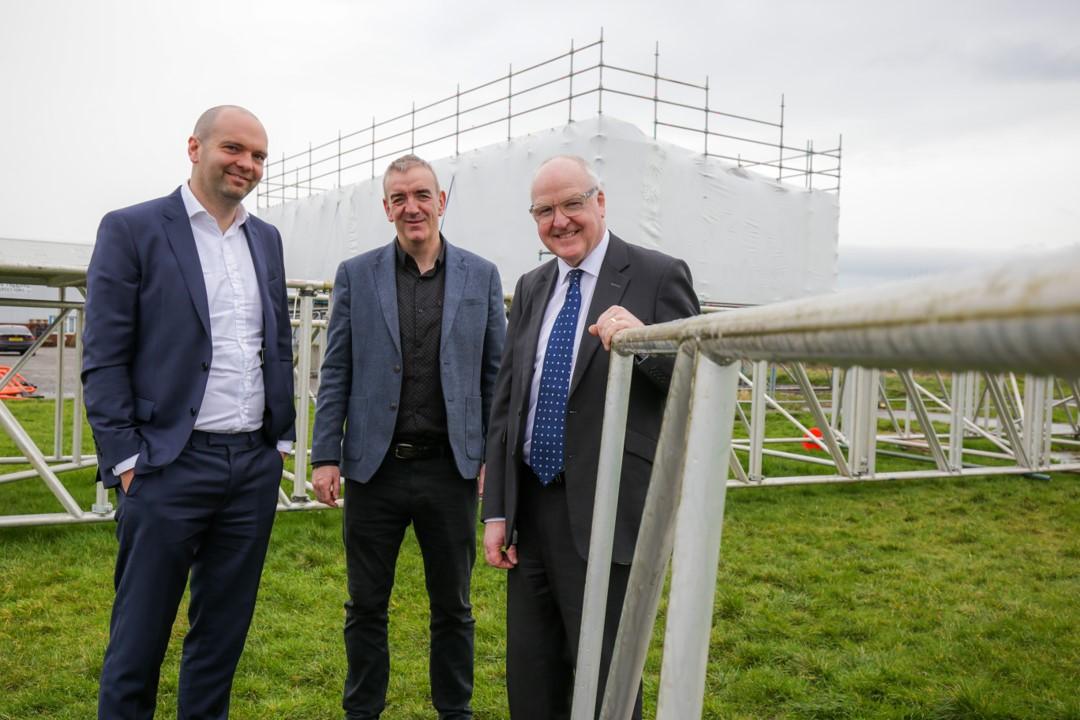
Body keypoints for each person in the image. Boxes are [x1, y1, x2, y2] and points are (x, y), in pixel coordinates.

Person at [83, 105, 296, 719]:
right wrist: (127, 460)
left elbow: (274, 342)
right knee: (138, 641)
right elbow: (104, 354)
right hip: (165, 466)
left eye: (258, 156)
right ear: (194, 147)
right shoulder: (133, 228)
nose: (247, 165)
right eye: (234, 149)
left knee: (221, 640)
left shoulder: (266, 238)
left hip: (250, 467)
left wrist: (276, 445)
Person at [481, 155, 699, 719]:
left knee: (607, 680)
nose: (560, 221)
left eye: (572, 204)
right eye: (544, 211)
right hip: (531, 508)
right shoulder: (532, 286)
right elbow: (509, 401)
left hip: (609, 507)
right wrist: (497, 510)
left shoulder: (657, 273)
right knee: (532, 677)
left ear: (600, 202)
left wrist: (646, 342)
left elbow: (695, 377)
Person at [311, 154, 506, 720]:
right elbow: (337, 370)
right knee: (365, 606)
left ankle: (456, 711)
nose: (411, 207)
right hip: (375, 470)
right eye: (399, 198)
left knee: (454, 608)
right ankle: (362, 711)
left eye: (421, 195)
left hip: (451, 471)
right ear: (386, 208)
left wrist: (492, 456)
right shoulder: (357, 273)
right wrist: (326, 454)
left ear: (441, 200)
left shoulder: (481, 275)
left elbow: (495, 375)